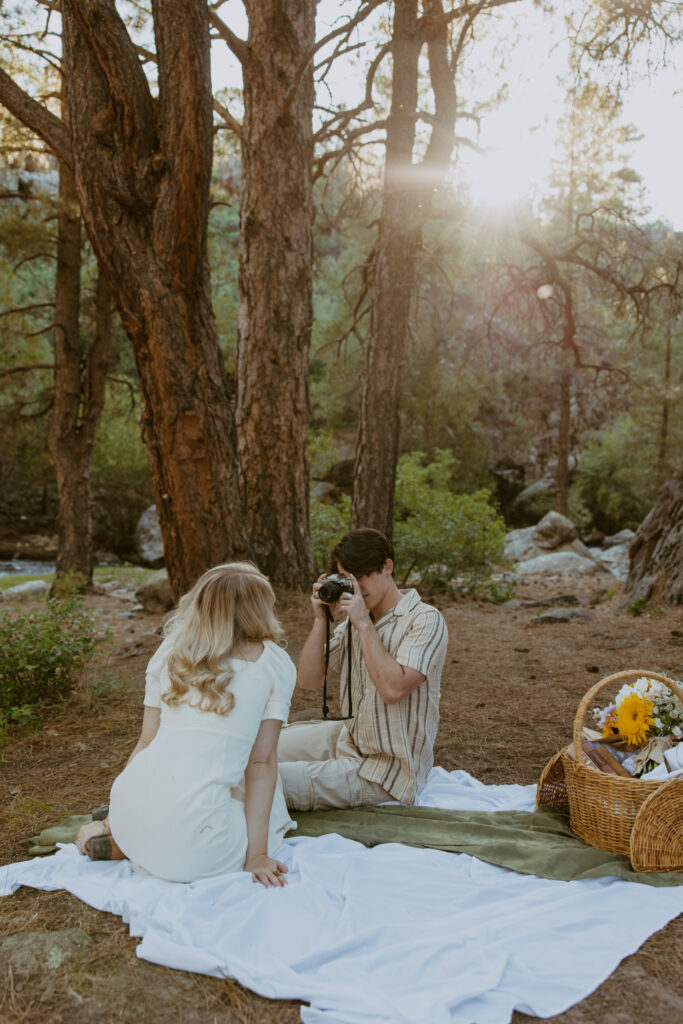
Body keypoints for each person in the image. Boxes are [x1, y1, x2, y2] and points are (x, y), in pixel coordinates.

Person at [75, 563, 295, 888]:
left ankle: (122, 838)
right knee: (270, 787)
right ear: (258, 609)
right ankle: (163, 830)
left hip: (129, 815)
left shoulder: (170, 650)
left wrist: (114, 819)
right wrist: (257, 856)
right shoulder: (272, 662)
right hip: (199, 854)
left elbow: (146, 742)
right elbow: (260, 762)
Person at [278, 528, 448, 810]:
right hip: (348, 738)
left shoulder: (425, 620)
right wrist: (321, 620)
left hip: (386, 772)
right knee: (255, 749)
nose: (358, 586)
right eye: (349, 578)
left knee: (265, 781)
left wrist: (364, 625)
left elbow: (393, 689)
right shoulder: (356, 620)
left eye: (364, 575)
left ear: (387, 567)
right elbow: (309, 679)